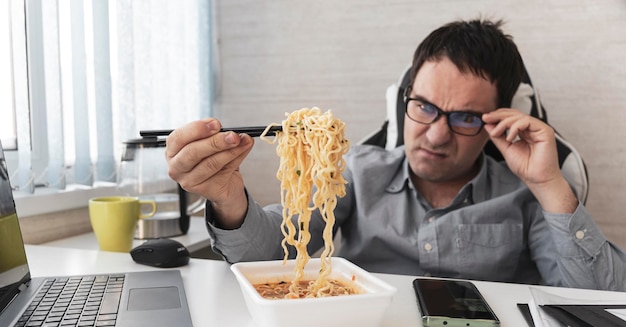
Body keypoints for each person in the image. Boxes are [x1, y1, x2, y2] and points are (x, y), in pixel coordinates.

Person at [165, 18, 626, 291]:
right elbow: (274, 255)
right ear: (405, 99)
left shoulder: (525, 197)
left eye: (465, 117)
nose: (436, 135)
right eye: (424, 106)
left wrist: (549, 186)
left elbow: (597, 300)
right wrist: (227, 196)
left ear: (497, 121)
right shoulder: (354, 171)